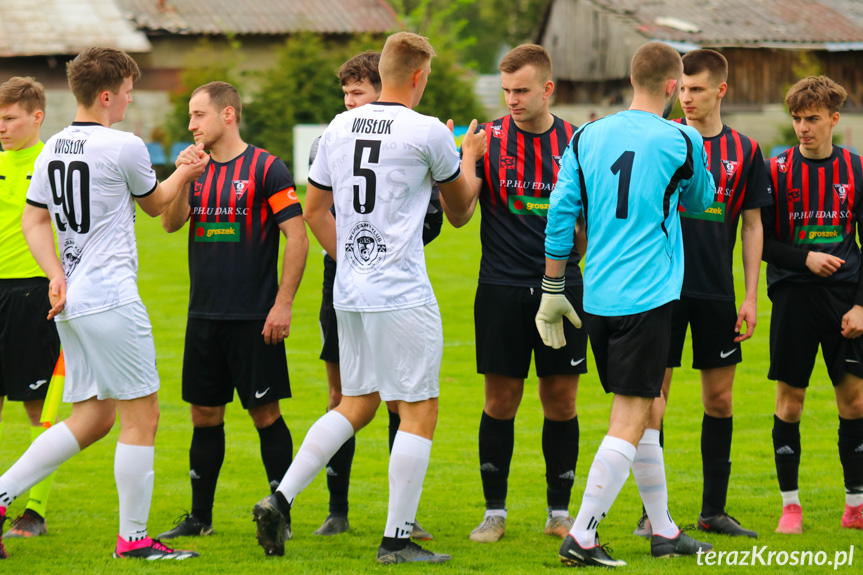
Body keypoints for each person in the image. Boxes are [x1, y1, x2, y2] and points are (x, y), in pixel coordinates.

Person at [252, 31, 486, 564]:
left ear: (382, 72)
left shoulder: (338, 126)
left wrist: (354, 260)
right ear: (419, 76)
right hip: (401, 291)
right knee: (419, 410)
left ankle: (281, 498)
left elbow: (313, 212)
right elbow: (459, 211)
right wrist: (468, 154)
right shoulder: (428, 130)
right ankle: (396, 541)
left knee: (356, 403)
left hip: (348, 289)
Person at [0, 46, 206, 560]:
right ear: (108, 95)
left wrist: (55, 276)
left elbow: (34, 220)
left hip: (72, 301)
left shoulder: (52, 149)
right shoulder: (125, 145)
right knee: (144, 416)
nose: (131, 102)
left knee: (92, 419)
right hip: (112, 297)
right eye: (130, 93)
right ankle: (133, 540)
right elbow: (159, 206)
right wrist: (186, 170)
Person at [536, 41, 715, 567]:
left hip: (599, 296)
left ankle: (662, 530)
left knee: (645, 410)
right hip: (650, 295)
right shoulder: (683, 138)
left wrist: (552, 289)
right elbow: (702, 202)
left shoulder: (587, 133)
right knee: (632, 416)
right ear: (670, 87)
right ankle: (584, 535)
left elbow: (561, 212)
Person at [443, 44, 585, 543]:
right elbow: (459, 215)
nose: (512, 100)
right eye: (505, 91)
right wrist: (463, 160)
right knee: (500, 400)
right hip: (500, 288)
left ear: (548, 88)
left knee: (561, 401)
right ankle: (494, 513)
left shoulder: (577, 141)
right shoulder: (487, 139)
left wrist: (571, 259)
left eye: (521, 90)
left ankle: (558, 513)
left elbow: (588, 223)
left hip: (563, 288)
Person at [158, 81, 307, 541]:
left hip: (252, 317)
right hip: (203, 314)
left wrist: (282, 305)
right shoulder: (195, 170)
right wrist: (184, 176)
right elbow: (169, 222)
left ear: (227, 115)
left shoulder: (267, 168)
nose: (191, 125)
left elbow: (298, 238)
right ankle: (200, 518)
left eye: (198, 115)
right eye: (189, 116)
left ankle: (280, 514)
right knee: (204, 415)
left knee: (265, 413)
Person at [632, 49, 770, 539]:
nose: (686, 98)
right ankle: (653, 514)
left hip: (716, 293)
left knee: (720, 399)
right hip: (660, 289)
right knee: (653, 399)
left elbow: (752, 226)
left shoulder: (747, 151)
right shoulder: (661, 141)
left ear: (720, 91)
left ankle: (713, 511)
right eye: (682, 89)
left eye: (696, 90)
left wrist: (750, 296)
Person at [310, 51, 439, 539]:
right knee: (353, 397)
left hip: (355, 283)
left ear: (382, 85)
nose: (350, 101)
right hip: (363, 282)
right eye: (345, 93)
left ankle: (398, 516)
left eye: (358, 91)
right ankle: (344, 512)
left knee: (380, 402)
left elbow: (428, 221)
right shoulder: (339, 134)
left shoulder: (344, 135)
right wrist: (360, 258)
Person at [762, 75, 863, 534]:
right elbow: (759, 241)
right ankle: (790, 507)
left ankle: (855, 506)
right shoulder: (776, 170)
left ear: (834, 120)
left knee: (855, 401)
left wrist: (862, 306)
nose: (803, 128)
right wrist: (804, 257)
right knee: (791, 401)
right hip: (792, 298)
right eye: (798, 120)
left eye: (813, 119)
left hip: (846, 302)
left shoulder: (857, 170)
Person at [0, 77, 61, 540]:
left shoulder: (51, 163)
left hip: (33, 293)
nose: (1, 127)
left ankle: (35, 510)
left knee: (38, 409)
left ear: (36, 117)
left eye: (9, 118)